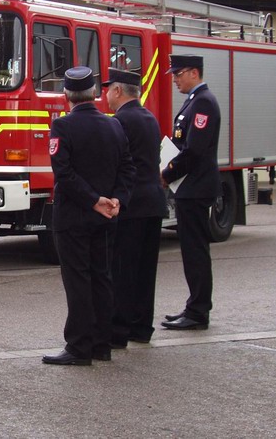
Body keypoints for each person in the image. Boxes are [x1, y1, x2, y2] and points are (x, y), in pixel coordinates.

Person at [42, 66, 135, 366]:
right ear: (94, 93)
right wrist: (117, 199)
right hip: (106, 216)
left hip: (73, 217)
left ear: (66, 95)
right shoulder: (114, 125)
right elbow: (127, 168)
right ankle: (101, 345)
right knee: (102, 277)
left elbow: (63, 173)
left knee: (78, 280)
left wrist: (93, 200)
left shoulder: (62, 126)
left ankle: (79, 346)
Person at [102, 68, 168, 346]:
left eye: (108, 90)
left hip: (131, 206)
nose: (106, 95)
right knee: (145, 270)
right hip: (153, 203)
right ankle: (141, 327)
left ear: (118, 91)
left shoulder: (120, 121)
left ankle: (118, 331)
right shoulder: (149, 118)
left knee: (122, 270)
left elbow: (114, 163)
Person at [161, 54, 221, 330]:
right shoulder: (194, 101)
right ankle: (194, 306)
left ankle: (198, 312)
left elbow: (194, 150)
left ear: (194, 73)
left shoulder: (203, 102)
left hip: (195, 187)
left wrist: (167, 174)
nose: (174, 79)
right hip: (189, 187)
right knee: (191, 251)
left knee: (195, 251)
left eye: (178, 74)